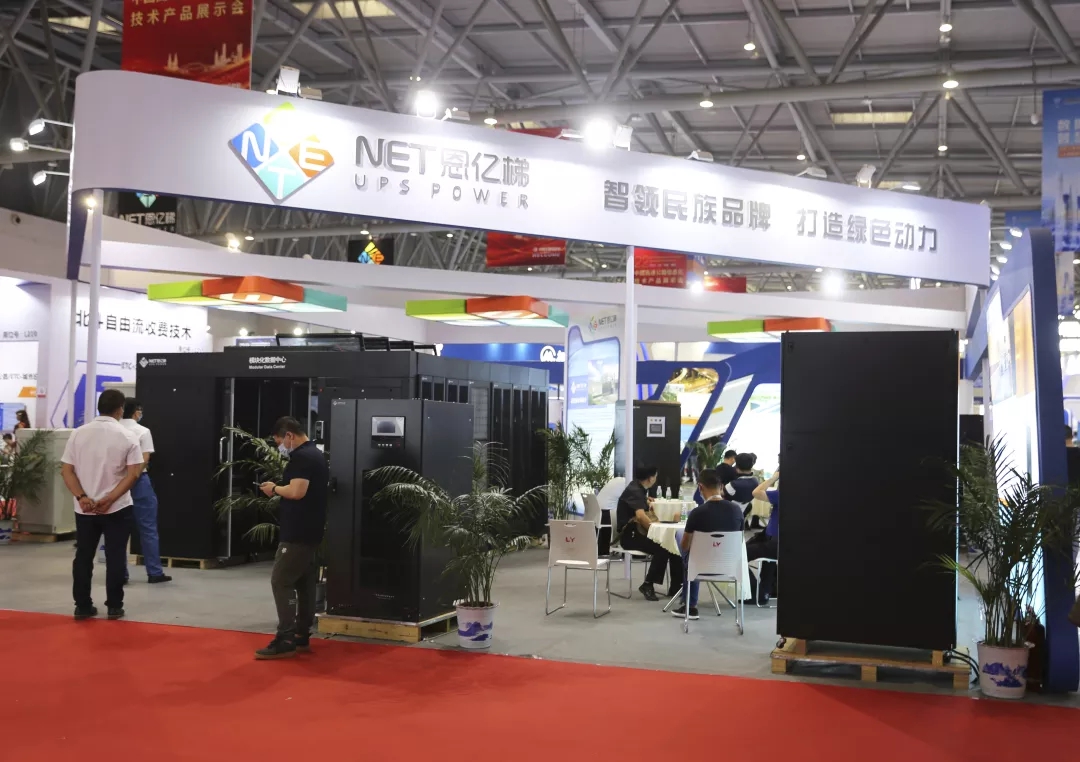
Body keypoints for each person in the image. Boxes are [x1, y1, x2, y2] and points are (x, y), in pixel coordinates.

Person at [61, 389, 144, 621]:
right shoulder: (128, 436)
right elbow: (133, 474)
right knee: (116, 556)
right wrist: (110, 499)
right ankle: (115, 606)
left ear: (99, 407)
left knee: (83, 556)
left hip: (84, 509)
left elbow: (66, 470)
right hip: (117, 508)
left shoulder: (78, 434)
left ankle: (82, 606)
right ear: (120, 409)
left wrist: (82, 497)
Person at [255, 416, 329, 660]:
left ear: (289, 435)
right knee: (304, 583)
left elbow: (297, 492)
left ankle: (285, 637)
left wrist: (274, 489)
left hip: (297, 533)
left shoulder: (302, 458)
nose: (280, 447)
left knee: (281, 581)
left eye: (279, 442)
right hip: (311, 531)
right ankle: (300, 634)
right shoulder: (315, 454)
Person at [673, 469, 744, 619]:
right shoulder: (737, 511)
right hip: (729, 566)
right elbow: (740, 540)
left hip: (700, 566)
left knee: (680, 536)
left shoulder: (697, 513)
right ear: (722, 487)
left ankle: (690, 605)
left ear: (700, 487)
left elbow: (685, 546)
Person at [120, 399, 171, 584]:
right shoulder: (142, 431)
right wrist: (133, 477)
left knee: (118, 531)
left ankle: (120, 574)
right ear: (136, 412)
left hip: (116, 483)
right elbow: (145, 458)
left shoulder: (114, 430)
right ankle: (154, 572)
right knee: (148, 528)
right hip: (139, 482)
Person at [615, 464, 683, 602]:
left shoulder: (636, 488)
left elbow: (635, 504)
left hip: (635, 532)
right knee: (663, 547)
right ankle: (648, 584)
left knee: (672, 545)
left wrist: (646, 500)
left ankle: (676, 587)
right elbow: (640, 516)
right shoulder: (635, 491)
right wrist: (655, 532)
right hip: (630, 536)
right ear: (650, 478)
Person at [748, 469, 781, 605]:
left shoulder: (782, 494)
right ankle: (765, 591)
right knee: (768, 560)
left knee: (740, 554)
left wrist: (773, 478)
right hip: (773, 541)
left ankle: (755, 593)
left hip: (775, 543)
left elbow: (756, 492)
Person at [724, 452, 760, 518]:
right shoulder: (756, 482)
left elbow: (720, 495)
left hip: (728, 515)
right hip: (741, 513)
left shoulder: (733, 485)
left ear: (737, 467)